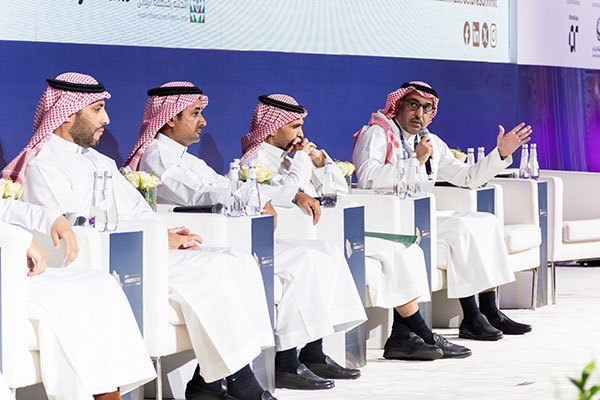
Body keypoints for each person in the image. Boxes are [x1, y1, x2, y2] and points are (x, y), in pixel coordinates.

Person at [4, 73, 276, 400]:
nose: (107, 119)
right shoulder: (43, 164)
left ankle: (214, 381)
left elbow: (139, 211)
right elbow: (77, 228)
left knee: (234, 260)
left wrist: (160, 234)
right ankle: (240, 384)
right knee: (204, 273)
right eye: (97, 109)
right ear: (67, 115)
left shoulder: (101, 161)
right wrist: (155, 240)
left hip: (141, 248)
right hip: (108, 257)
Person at [122, 82, 367, 391]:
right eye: (196, 113)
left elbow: (222, 185)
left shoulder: (189, 159)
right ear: (170, 117)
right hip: (207, 236)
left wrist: (272, 193)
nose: (203, 121)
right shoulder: (157, 155)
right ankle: (281, 362)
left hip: (232, 232)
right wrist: (260, 195)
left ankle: (310, 352)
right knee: (298, 259)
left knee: (325, 251)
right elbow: (199, 195)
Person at [239, 94, 471, 360]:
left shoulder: (290, 157)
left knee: (406, 249)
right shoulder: (255, 161)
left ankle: (404, 335)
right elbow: (289, 192)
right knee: (392, 254)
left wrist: (320, 162)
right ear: (272, 129)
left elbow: (340, 188)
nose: (301, 134)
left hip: (330, 228)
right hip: (305, 236)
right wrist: (302, 161)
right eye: (295, 127)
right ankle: (421, 334)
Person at [352, 81, 534, 340]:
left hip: (420, 215)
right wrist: (417, 160)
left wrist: (501, 154)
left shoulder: (431, 142)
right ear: (398, 105)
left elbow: (467, 177)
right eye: (413, 105)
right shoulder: (377, 134)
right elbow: (367, 177)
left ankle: (490, 310)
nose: (419, 114)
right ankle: (471, 317)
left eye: (426, 108)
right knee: (461, 228)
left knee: (486, 221)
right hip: (388, 219)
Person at [0, 197, 156, 400]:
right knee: (61, 297)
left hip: (13, 268)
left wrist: (52, 219)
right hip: (7, 273)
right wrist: (19, 239)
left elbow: (4, 206)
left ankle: (109, 392)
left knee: (102, 284)